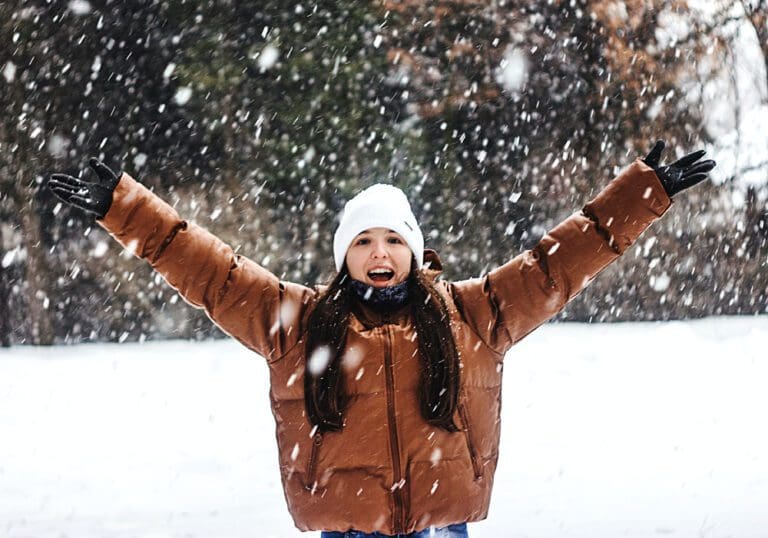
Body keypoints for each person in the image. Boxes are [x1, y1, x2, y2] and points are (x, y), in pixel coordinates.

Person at [48, 140, 715, 537]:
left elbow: (556, 266)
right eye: (363, 240)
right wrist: (124, 209)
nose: (379, 251)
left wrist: (641, 194)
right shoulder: (299, 323)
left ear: (414, 250)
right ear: (344, 254)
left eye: (393, 238)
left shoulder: (473, 315)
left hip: (441, 521)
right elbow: (213, 273)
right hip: (345, 526)